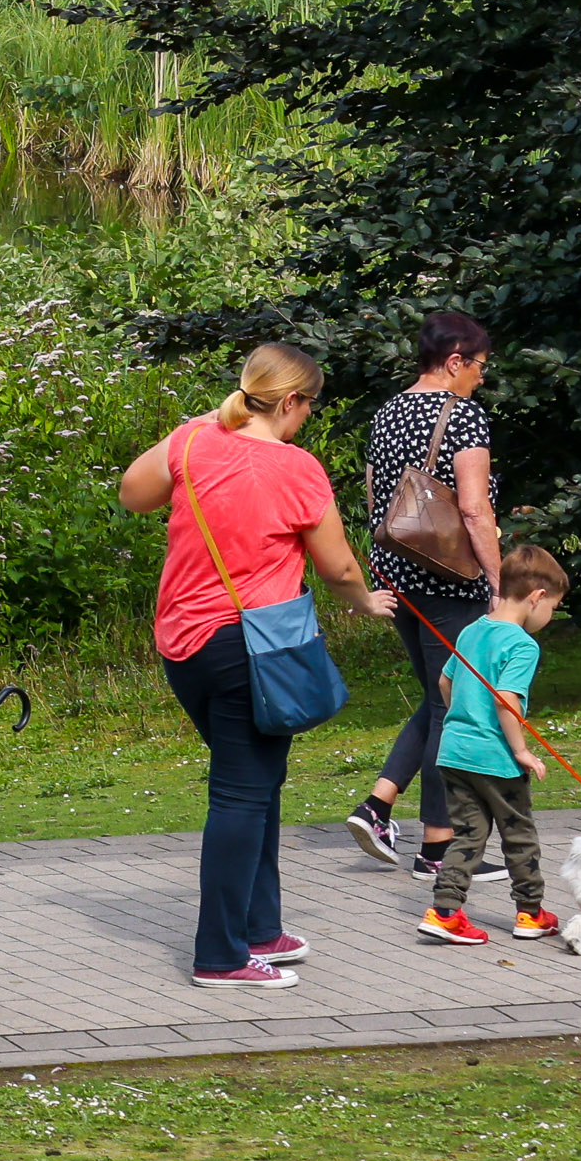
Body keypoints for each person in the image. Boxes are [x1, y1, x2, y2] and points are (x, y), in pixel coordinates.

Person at [119, 340, 392, 987]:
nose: (307, 418)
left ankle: (259, 925)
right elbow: (338, 564)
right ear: (291, 400)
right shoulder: (296, 467)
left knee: (257, 779)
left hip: (181, 645)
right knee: (240, 794)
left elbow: (133, 492)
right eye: (309, 405)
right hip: (251, 647)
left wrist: (197, 441)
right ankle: (218, 954)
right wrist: (361, 601)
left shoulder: (191, 440)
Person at [344, 311, 510, 892]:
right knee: (453, 705)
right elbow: (472, 509)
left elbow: (375, 496)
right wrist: (497, 580)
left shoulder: (387, 412)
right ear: (455, 360)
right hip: (449, 580)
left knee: (436, 696)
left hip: (397, 576)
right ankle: (438, 847)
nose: (481, 379)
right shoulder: (462, 415)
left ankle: (378, 806)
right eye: (480, 367)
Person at [417, 543, 569, 947]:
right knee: (518, 832)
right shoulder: (521, 644)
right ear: (537, 597)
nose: (548, 617)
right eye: (552, 607)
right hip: (496, 758)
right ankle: (531, 913)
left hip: (454, 751)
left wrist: (463, 718)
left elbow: (446, 682)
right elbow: (506, 699)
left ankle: (444, 912)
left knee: (467, 834)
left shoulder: (472, 630)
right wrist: (520, 750)